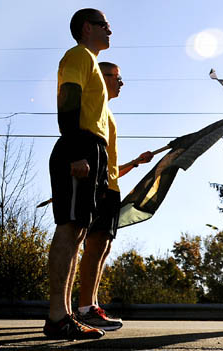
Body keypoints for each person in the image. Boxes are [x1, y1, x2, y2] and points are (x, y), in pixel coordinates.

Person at [46, 8, 112, 340]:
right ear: (87, 28)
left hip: (92, 149)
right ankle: (57, 315)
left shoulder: (89, 60)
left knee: (78, 234)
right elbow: (67, 102)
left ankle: (66, 314)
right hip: (79, 146)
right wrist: (76, 153)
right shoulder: (77, 56)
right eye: (104, 25)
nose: (110, 30)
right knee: (68, 228)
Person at [76, 62, 152, 331]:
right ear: (100, 77)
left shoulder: (107, 111)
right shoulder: (93, 105)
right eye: (116, 77)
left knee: (103, 246)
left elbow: (110, 167)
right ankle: (85, 307)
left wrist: (135, 163)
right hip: (98, 188)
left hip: (110, 188)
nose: (121, 83)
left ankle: (91, 304)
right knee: (94, 244)